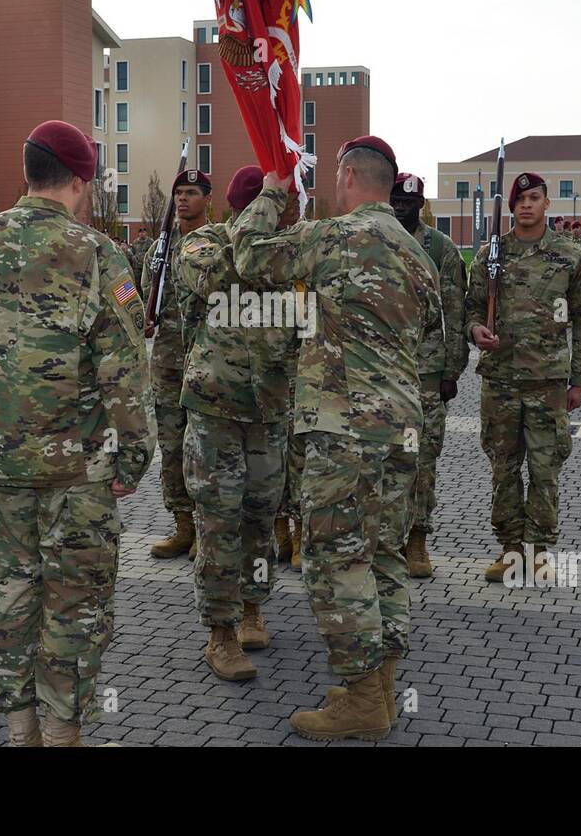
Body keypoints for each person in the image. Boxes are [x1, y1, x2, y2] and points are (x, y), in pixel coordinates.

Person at [0, 120, 154, 747]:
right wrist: (132, 459)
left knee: (11, 592)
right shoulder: (99, 254)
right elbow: (126, 376)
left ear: (29, 175)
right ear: (80, 182)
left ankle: (21, 733)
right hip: (75, 474)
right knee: (73, 606)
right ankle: (61, 737)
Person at [231, 135, 440, 741]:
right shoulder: (418, 252)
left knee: (334, 559)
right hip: (401, 426)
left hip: (342, 428)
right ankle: (382, 681)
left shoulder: (333, 237)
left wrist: (270, 194)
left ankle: (360, 697)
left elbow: (251, 257)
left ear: (349, 177)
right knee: (384, 554)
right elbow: (429, 333)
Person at [178, 165, 299, 682]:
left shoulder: (290, 251)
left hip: (269, 412)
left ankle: (253, 608)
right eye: (271, 204)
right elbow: (214, 280)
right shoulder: (204, 244)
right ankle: (219, 633)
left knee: (259, 520)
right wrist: (262, 215)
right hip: (216, 411)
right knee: (218, 522)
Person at [464, 171, 581, 584]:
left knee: (544, 469)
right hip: (501, 381)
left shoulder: (570, 256)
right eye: (520, 199)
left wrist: (579, 379)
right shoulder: (491, 255)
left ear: (546, 204)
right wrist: (475, 331)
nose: (527, 204)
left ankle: (539, 553)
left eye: (535, 197)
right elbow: (469, 310)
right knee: (503, 468)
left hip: (548, 384)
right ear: (512, 206)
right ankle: (509, 551)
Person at [389, 172, 467, 578]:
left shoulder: (440, 248)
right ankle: (386, 541)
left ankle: (417, 540)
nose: (401, 208)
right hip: (380, 372)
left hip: (426, 372)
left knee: (422, 458)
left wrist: (451, 369)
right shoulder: (375, 241)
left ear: (421, 206)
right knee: (385, 458)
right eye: (395, 202)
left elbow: (454, 312)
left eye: (409, 203)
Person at [144, 169, 210, 560]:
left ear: (207, 199)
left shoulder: (214, 243)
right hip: (167, 363)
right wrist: (141, 317)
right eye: (178, 194)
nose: (182, 200)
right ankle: (182, 526)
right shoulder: (160, 247)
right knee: (171, 448)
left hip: (204, 363)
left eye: (191, 193)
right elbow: (130, 292)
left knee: (203, 449)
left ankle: (206, 529)